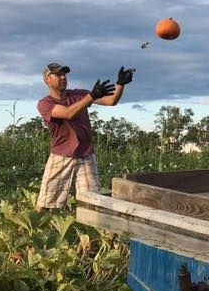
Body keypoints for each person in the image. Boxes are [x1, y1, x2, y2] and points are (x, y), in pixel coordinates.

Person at [35, 62, 135, 211]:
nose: (63, 77)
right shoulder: (45, 103)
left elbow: (111, 101)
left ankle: (89, 230)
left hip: (86, 154)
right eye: (58, 75)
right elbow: (68, 113)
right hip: (61, 155)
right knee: (46, 201)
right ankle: (33, 227)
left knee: (92, 201)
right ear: (47, 79)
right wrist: (91, 96)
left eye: (64, 74)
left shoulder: (79, 94)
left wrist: (120, 84)